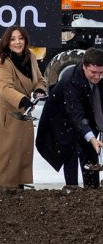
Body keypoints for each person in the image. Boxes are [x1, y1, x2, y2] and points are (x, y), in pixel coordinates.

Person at [0, 27, 47, 187]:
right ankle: (3, 187)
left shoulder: (31, 57)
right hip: (5, 112)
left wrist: (39, 89)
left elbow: (39, 79)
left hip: (22, 111)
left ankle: (17, 184)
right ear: (7, 42)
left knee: (20, 151)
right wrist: (23, 100)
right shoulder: (3, 62)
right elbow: (4, 87)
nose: (17, 42)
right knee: (5, 153)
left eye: (20, 38)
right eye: (13, 39)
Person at [36, 47, 103, 188]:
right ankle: (72, 192)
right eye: (93, 72)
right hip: (61, 119)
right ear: (84, 67)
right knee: (70, 152)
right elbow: (75, 113)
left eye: (101, 73)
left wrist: (93, 137)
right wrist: (91, 137)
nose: (97, 77)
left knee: (91, 153)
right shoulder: (70, 80)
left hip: (87, 115)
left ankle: (92, 191)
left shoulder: (99, 76)